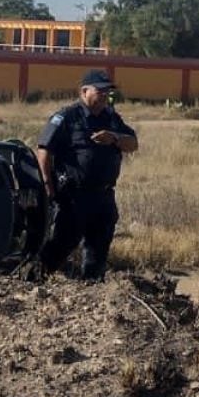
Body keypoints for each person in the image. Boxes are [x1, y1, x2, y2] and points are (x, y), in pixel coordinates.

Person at [37, 69, 138, 281]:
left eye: (107, 92)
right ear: (84, 91)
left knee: (99, 247)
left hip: (103, 195)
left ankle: (91, 288)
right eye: (99, 90)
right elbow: (44, 150)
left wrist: (114, 138)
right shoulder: (66, 117)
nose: (104, 95)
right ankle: (34, 280)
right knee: (63, 243)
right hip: (75, 196)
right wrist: (47, 185)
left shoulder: (110, 117)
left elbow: (133, 143)